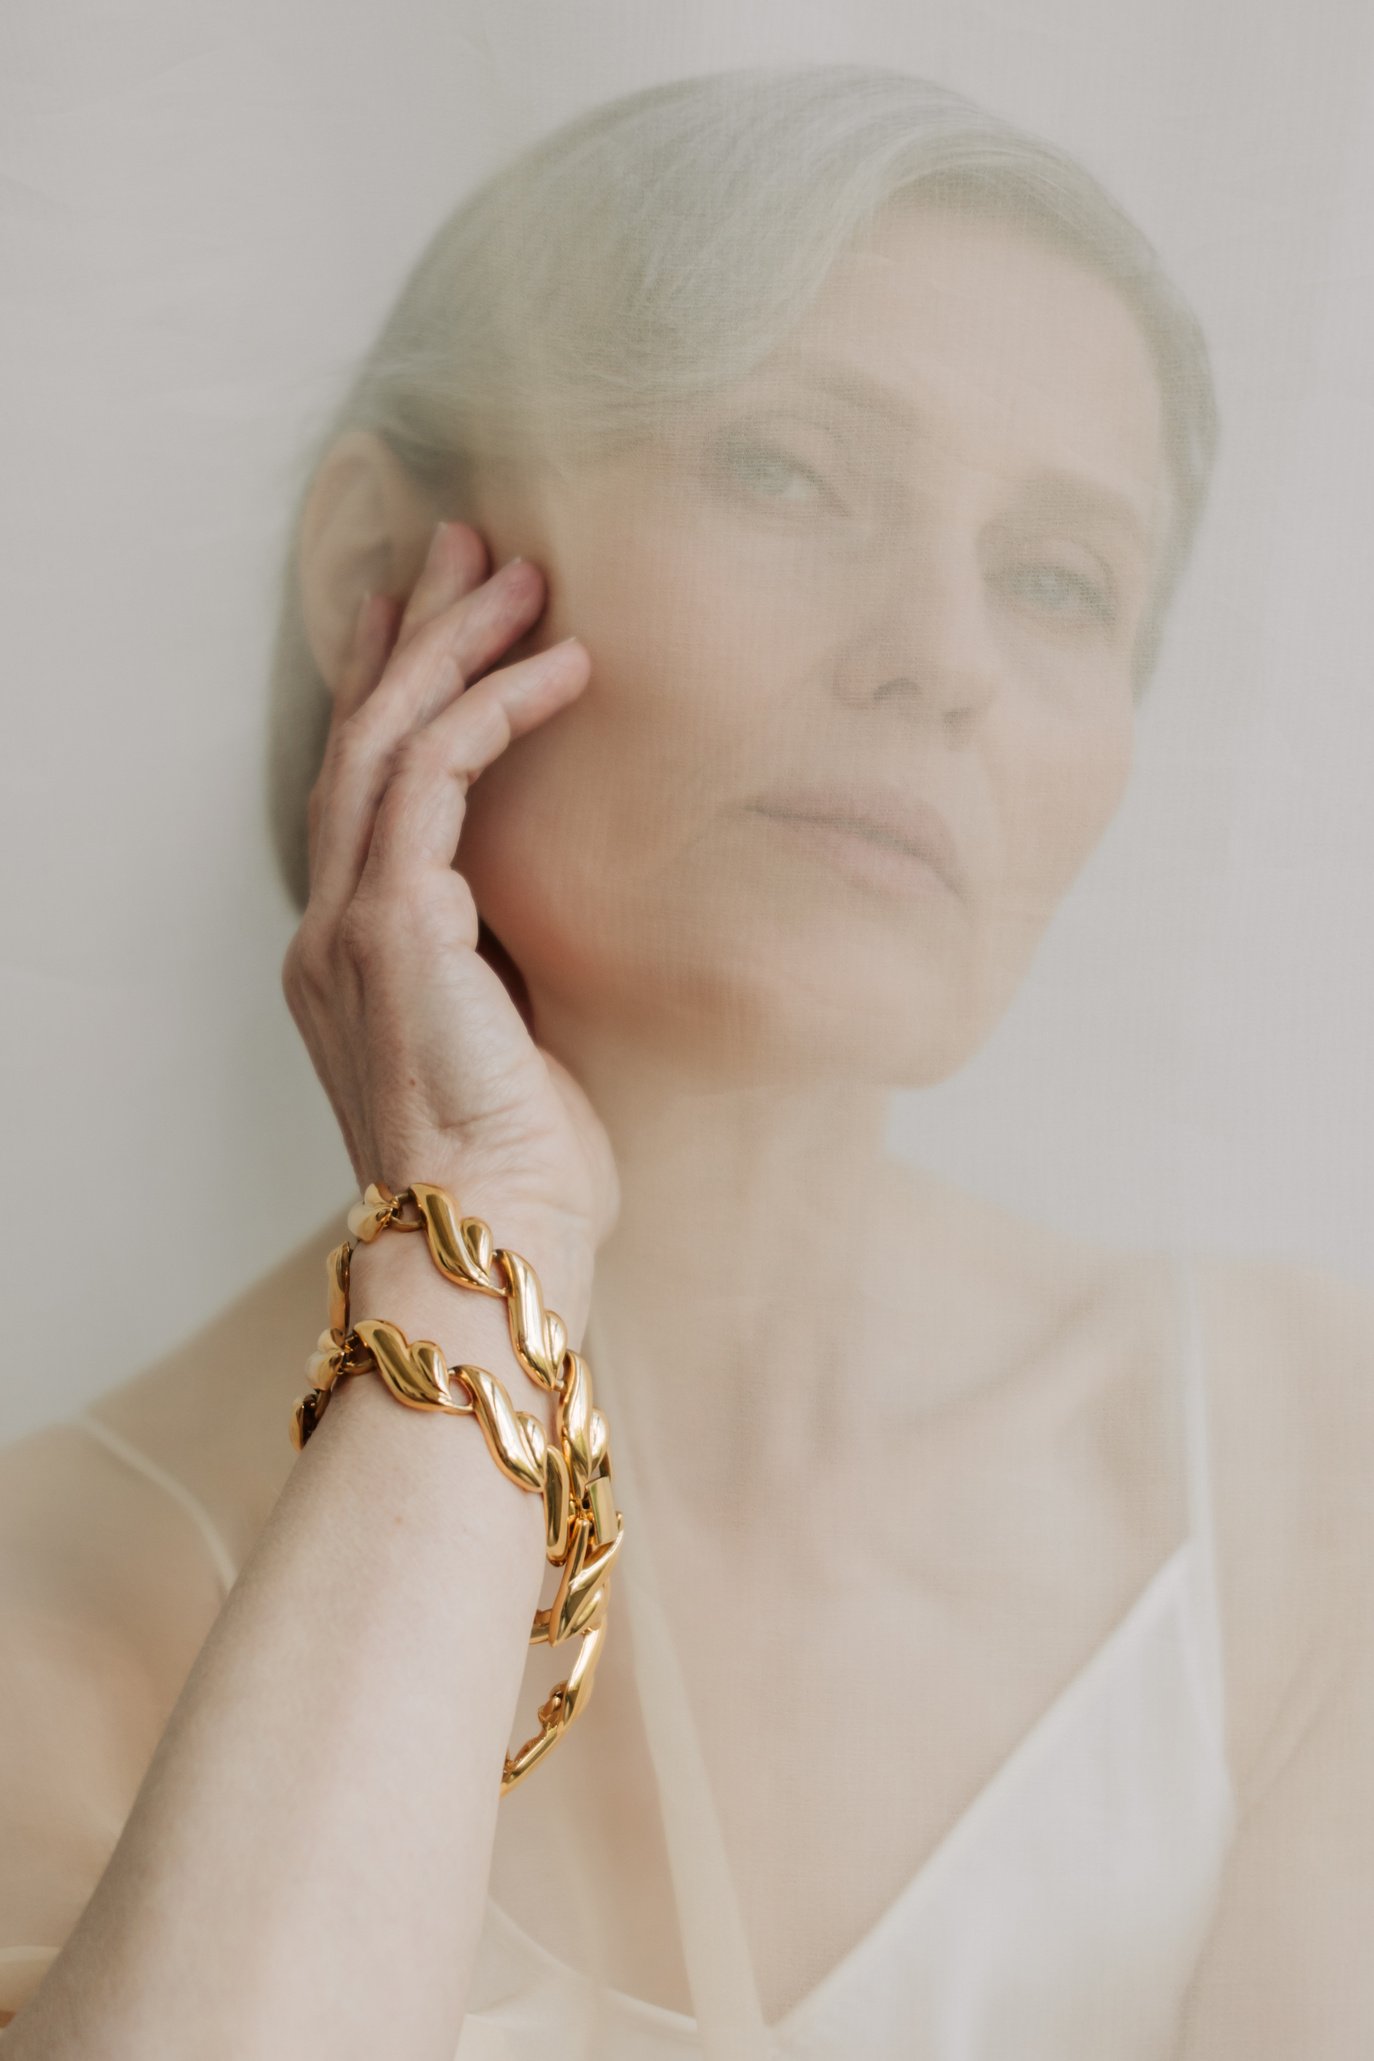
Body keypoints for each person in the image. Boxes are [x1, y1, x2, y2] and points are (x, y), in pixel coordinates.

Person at [2, 64, 1371, 2059]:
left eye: (1062, 576)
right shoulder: (60, 1586)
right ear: (387, 567)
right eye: (794, 470)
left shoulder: (1307, 1460)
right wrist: (481, 1224)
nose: (947, 652)